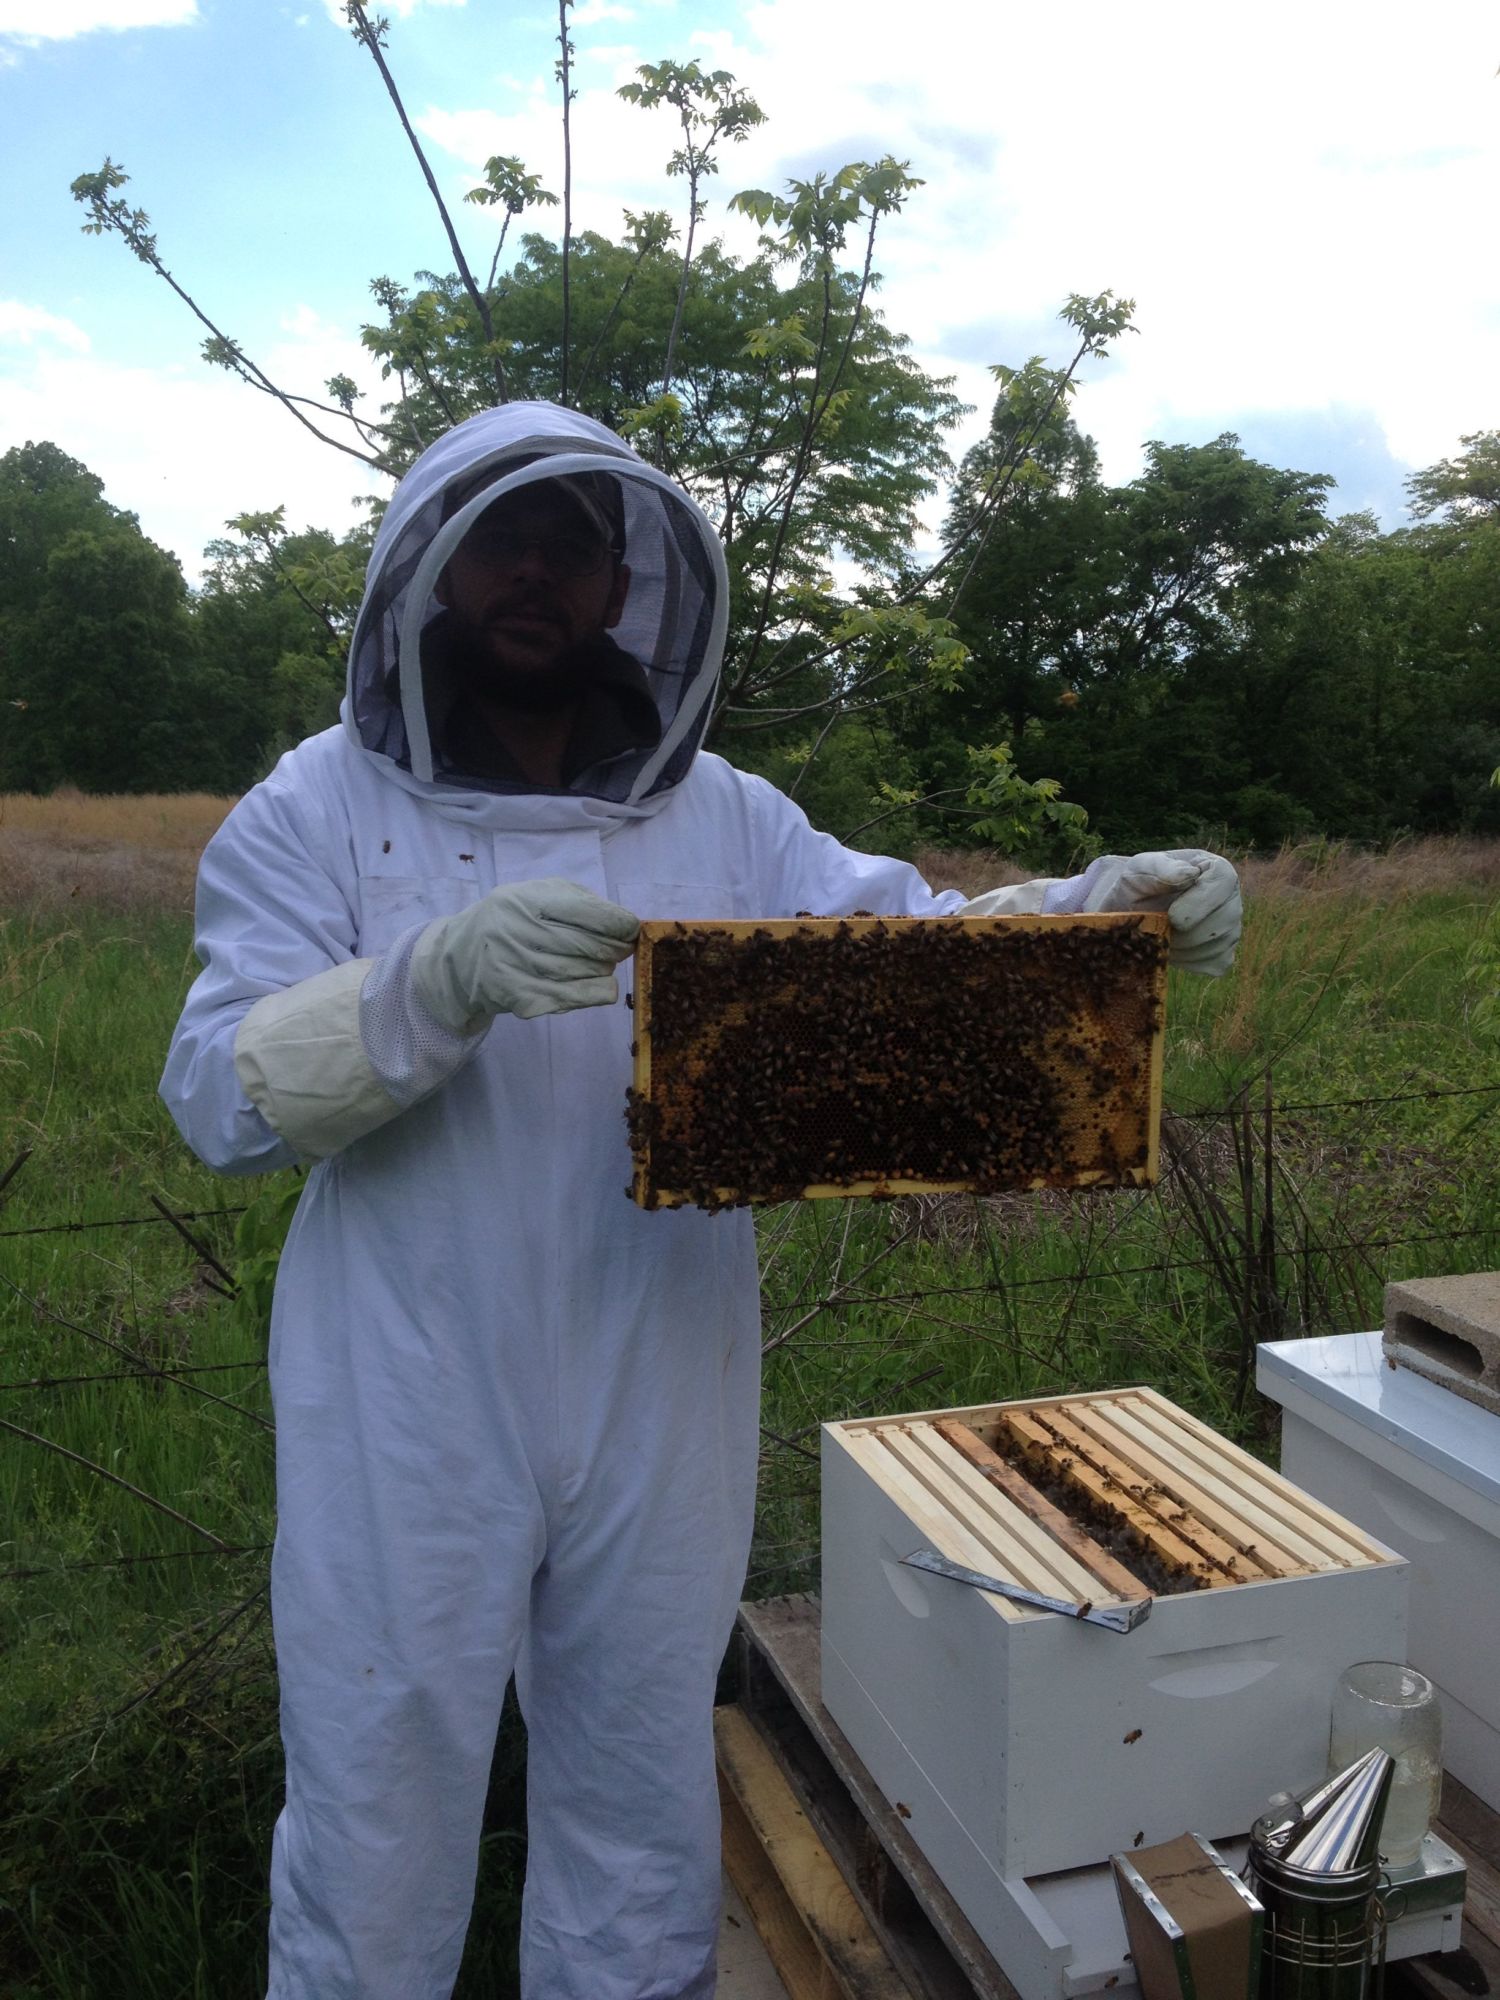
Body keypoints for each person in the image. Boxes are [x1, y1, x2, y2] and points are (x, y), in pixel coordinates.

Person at [161, 400, 1241, 2000]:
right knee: (377, 1780)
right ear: (434, 567)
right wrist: (426, 984)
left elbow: (908, 960)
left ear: (627, 588)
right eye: (503, 540)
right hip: (405, 1381)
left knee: (639, 1761)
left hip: (665, 1360)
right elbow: (218, 1095)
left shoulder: (722, 813)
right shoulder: (317, 807)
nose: (536, 572)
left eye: (574, 547)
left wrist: (1096, 920)